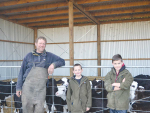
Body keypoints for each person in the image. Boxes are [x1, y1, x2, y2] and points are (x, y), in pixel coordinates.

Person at [16, 36, 65, 113]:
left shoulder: (49, 56)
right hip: (28, 88)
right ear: (36, 44)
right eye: (40, 43)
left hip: (41, 89)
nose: (42, 45)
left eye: (43, 44)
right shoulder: (28, 56)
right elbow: (21, 72)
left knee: (39, 109)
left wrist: (53, 65)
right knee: (27, 109)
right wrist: (18, 87)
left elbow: (62, 61)